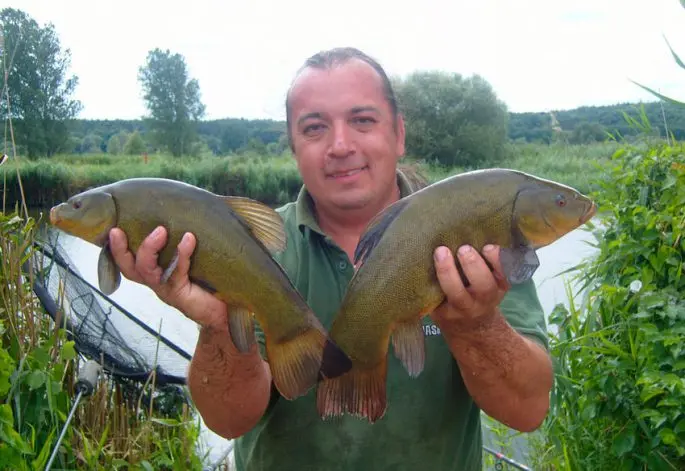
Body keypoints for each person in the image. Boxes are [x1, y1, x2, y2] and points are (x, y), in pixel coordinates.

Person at [108, 47, 553, 470]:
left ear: (399, 134)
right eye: (315, 128)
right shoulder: (253, 247)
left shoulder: (472, 239)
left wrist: (475, 324)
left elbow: (528, 410)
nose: (340, 145)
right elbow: (227, 421)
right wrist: (219, 326)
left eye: (362, 120)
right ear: (293, 145)